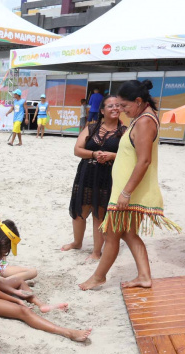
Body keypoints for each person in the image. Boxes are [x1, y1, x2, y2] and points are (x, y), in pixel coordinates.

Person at [80, 80, 180, 291]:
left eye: (125, 106)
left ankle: (99, 277)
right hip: (128, 189)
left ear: (138, 101)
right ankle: (144, 276)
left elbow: (144, 160)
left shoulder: (144, 122)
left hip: (128, 191)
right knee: (128, 233)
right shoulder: (143, 118)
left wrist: (126, 192)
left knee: (113, 234)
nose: (122, 111)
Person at [0, 221, 91, 342]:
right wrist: (16, 300)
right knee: (23, 311)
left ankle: (42, 305)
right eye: (7, 248)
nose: (6, 252)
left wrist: (15, 291)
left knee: (19, 280)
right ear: (2, 242)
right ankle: (68, 332)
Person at [63, 95, 126, 262]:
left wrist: (112, 155)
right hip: (86, 173)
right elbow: (77, 150)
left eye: (118, 106)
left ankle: (97, 251)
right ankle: (77, 243)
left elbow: (129, 156)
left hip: (108, 175)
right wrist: (93, 153)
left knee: (99, 212)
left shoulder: (124, 132)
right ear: (102, 110)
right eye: (111, 106)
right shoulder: (91, 128)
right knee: (79, 210)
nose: (115, 108)